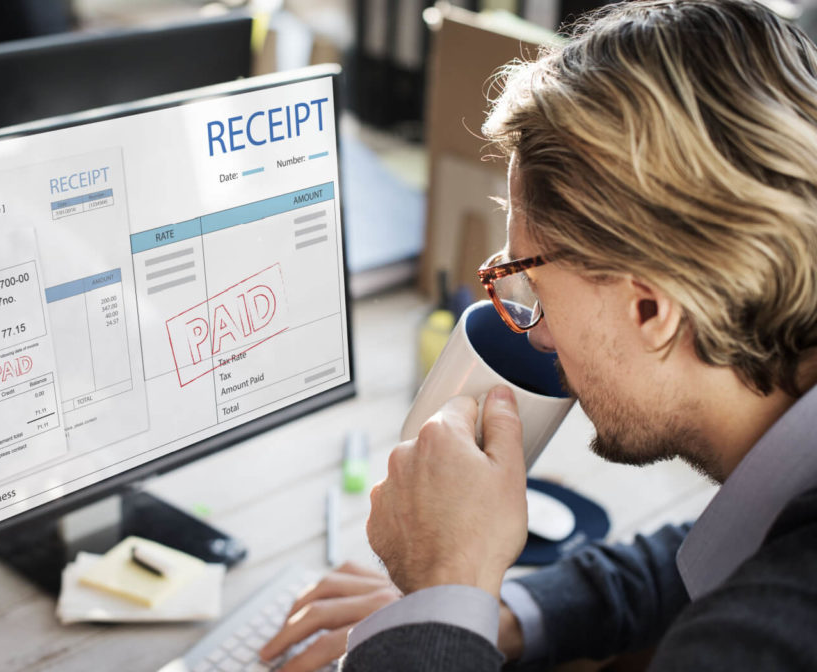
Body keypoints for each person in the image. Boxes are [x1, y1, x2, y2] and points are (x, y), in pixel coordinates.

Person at [260, 0, 817, 668]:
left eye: (532, 285)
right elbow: (719, 551)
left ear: (651, 310)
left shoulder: (760, 643)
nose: (538, 335)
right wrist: (494, 617)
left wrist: (444, 589)